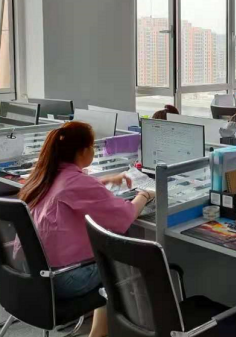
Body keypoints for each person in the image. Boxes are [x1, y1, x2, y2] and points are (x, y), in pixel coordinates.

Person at [17, 121, 154, 337]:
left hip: (34, 273)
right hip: (64, 278)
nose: (93, 150)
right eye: (92, 146)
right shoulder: (76, 182)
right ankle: (142, 328)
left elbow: (73, 190)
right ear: (82, 151)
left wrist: (103, 181)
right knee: (128, 260)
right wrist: (145, 194)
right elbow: (125, 216)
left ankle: (98, 332)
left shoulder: (45, 175)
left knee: (107, 252)